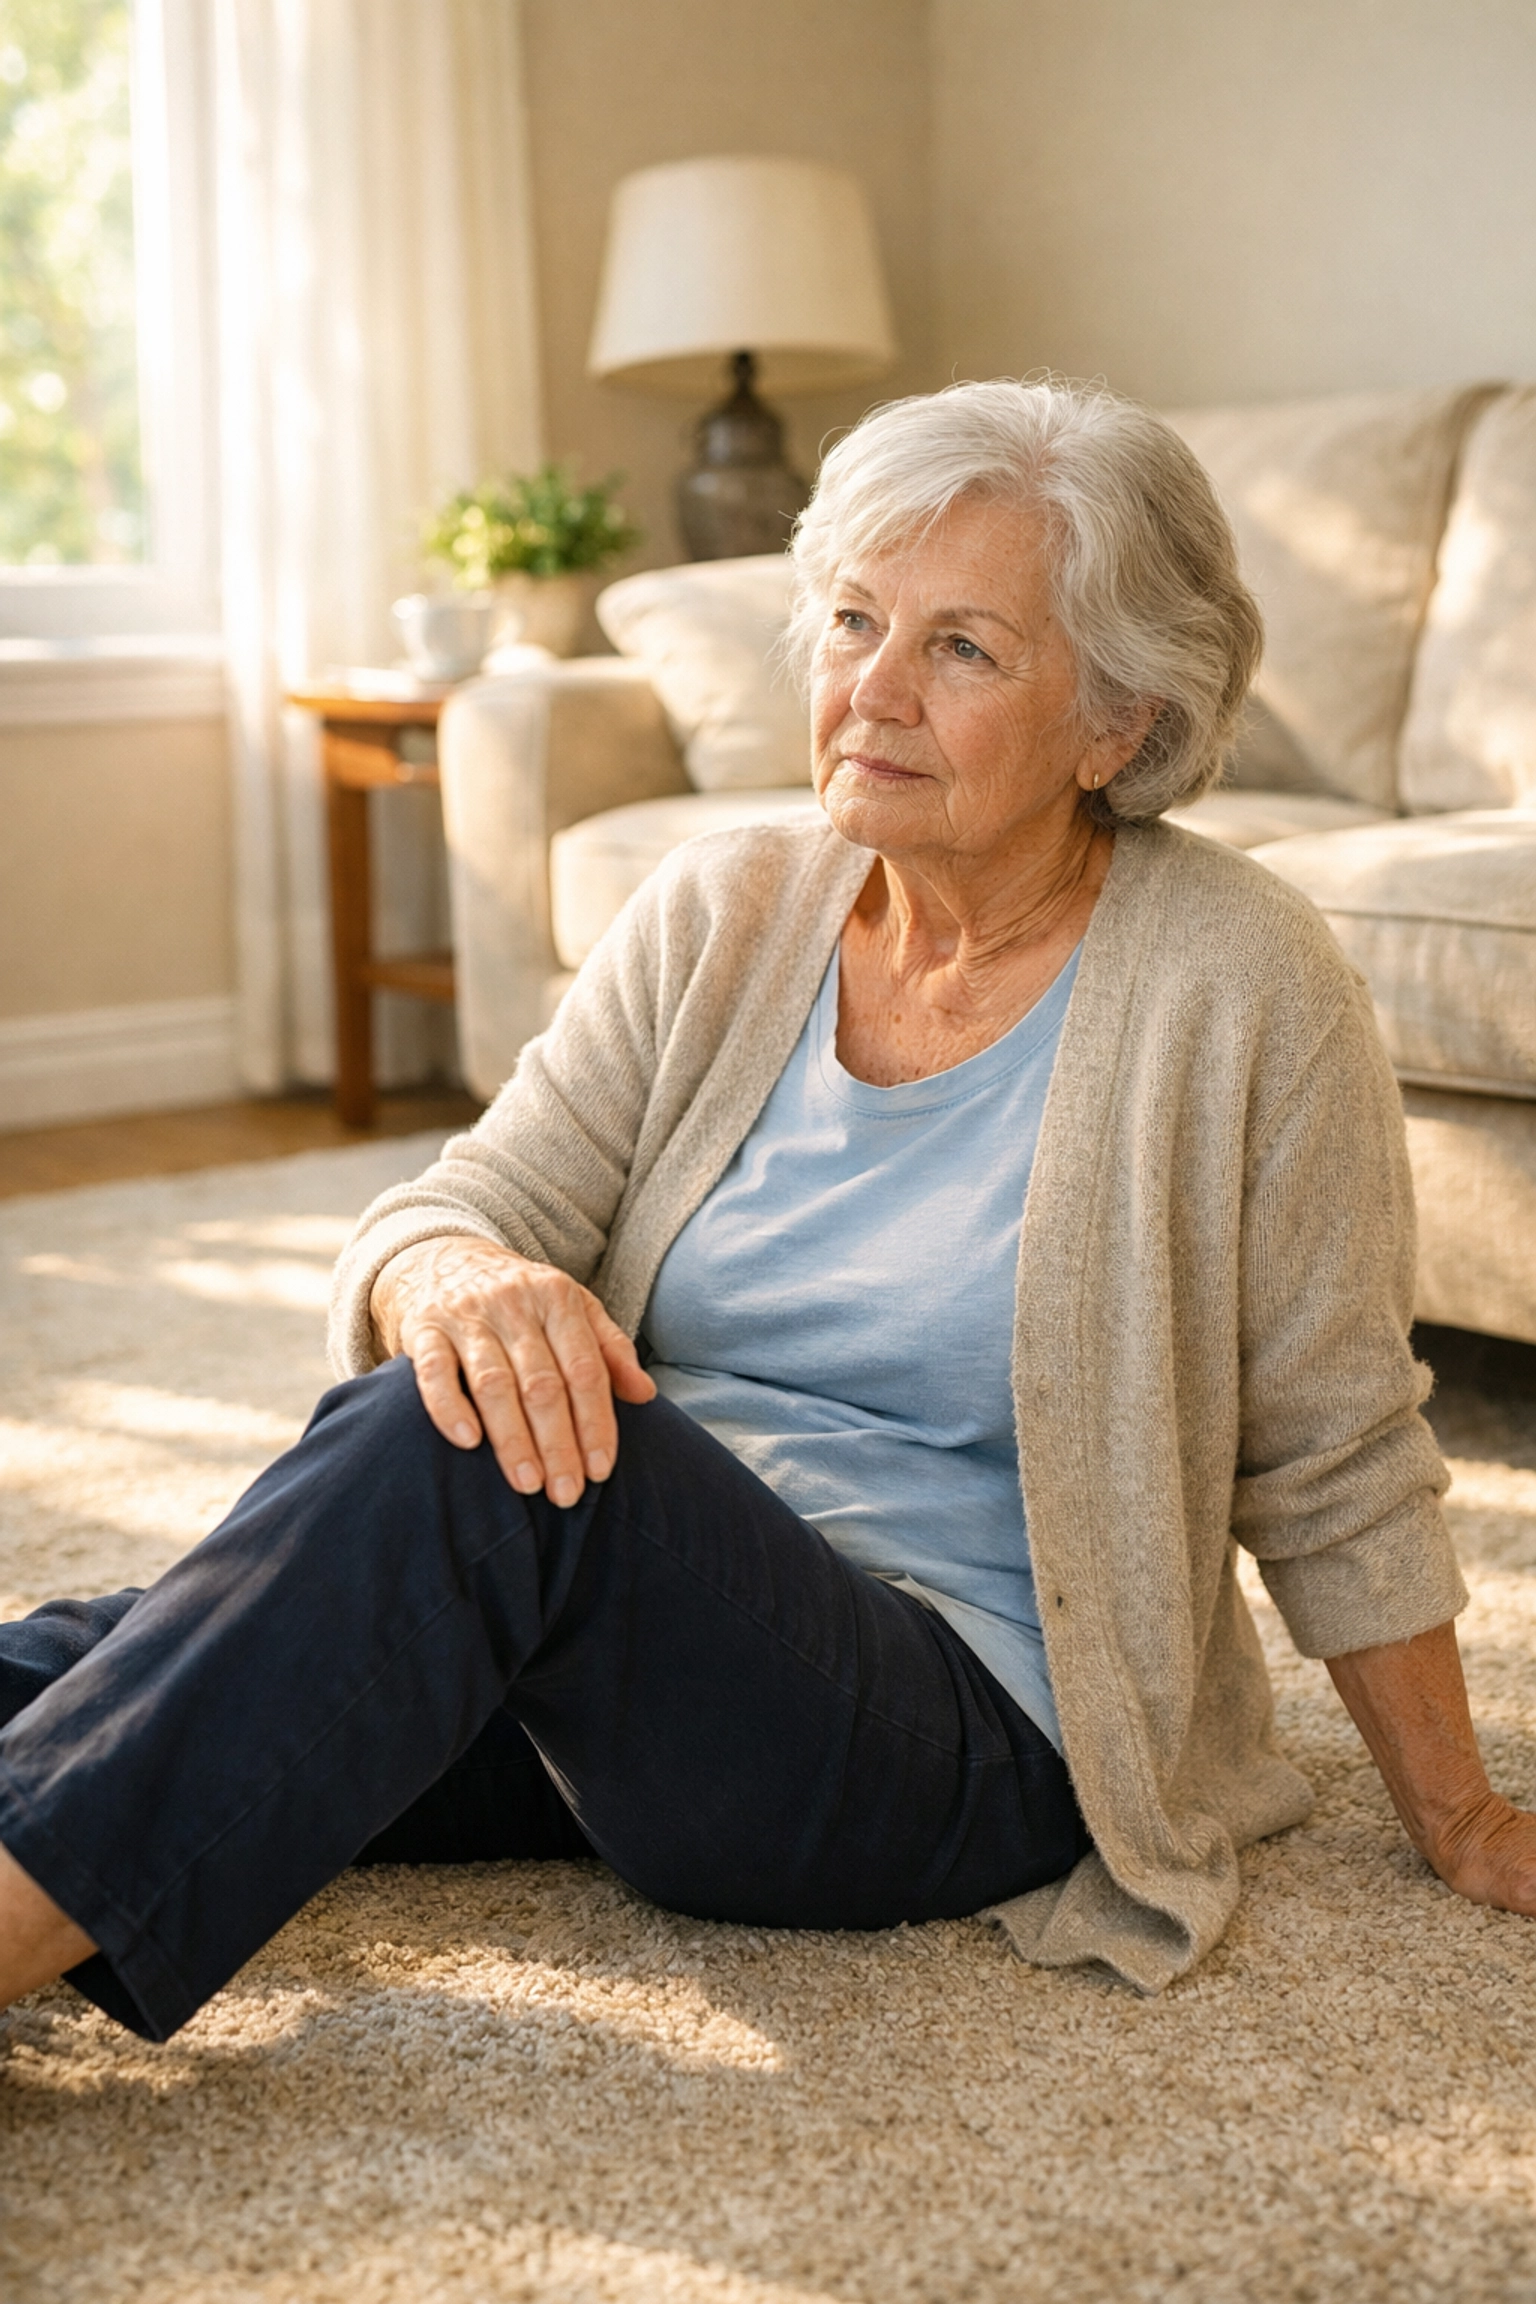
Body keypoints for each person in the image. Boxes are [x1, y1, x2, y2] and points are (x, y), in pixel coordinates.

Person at [3, 378, 1533, 2042]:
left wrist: (1459, 1814)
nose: (873, 689)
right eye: (856, 621)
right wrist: (451, 1278)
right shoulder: (726, 907)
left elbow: (1333, 1444)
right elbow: (466, 1206)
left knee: (480, 1461)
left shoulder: (1245, 983)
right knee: (112, 1661)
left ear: (1119, 724)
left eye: (963, 649)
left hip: (950, 1721)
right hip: (623, 1650)